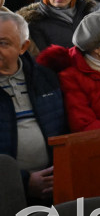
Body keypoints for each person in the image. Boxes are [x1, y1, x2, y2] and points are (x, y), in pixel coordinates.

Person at [0, 12, 66, 205]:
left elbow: (64, 130)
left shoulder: (46, 78)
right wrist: (24, 181)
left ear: (23, 47)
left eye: (3, 43)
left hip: (55, 184)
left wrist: (59, 173)